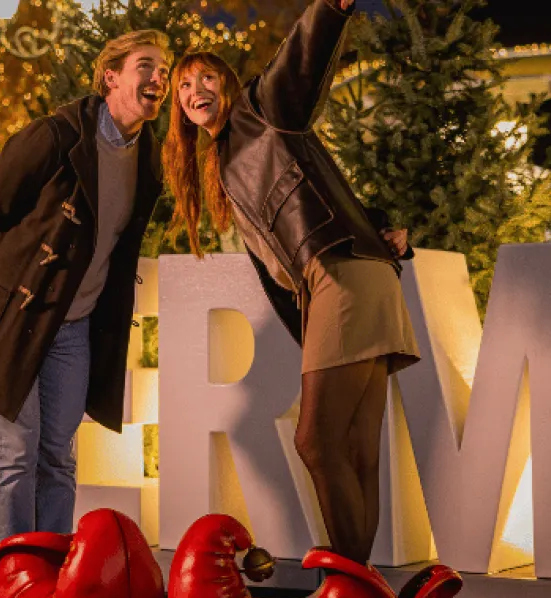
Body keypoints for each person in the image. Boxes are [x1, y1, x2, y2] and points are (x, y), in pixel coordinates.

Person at [163, 0, 419, 564]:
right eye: (183, 87)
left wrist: (330, 9)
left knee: (315, 442)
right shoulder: (227, 160)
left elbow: (297, 61)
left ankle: (350, 589)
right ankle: (363, 593)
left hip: (342, 279)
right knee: (355, 450)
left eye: (206, 77)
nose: (194, 90)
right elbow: (318, 199)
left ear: (228, 84)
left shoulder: (261, 110)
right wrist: (378, 226)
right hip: (350, 276)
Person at [0, 31, 172, 547]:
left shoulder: (147, 156)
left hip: (75, 327)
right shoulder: (56, 136)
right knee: (15, 454)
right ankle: (12, 581)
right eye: (147, 65)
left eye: (164, 69)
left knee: (58, 457)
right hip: (16, 320)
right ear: (112, 75)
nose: (159, 78)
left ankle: (50, 580)